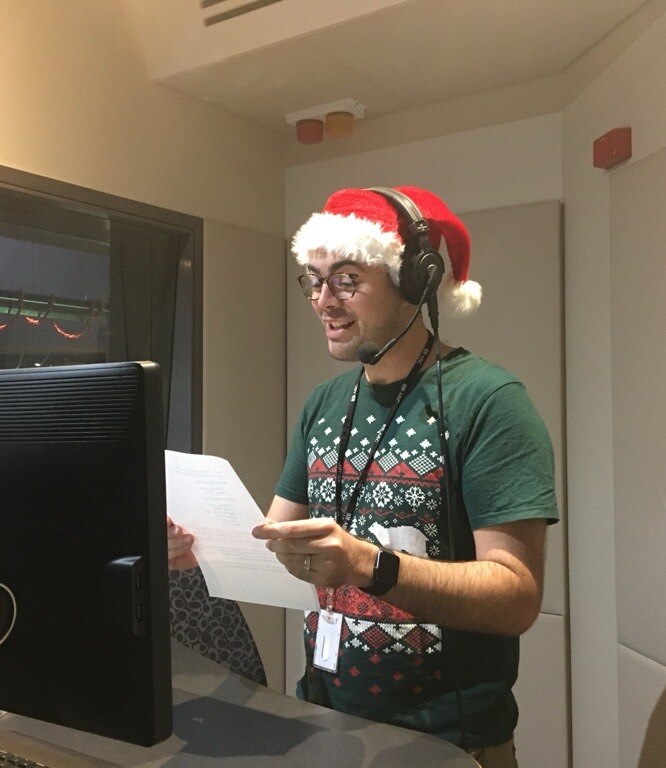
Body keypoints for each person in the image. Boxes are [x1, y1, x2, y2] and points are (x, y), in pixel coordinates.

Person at [168, 186, 558, 767]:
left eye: (347, 279)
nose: (324, 300)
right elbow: (275, 541)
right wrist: (201, 548)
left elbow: (515, 598)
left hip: (446, 746)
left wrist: (370, 567)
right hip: (323, 726)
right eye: (314, 279)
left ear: (415, 281)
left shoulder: (490, 401)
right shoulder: (323, 404)